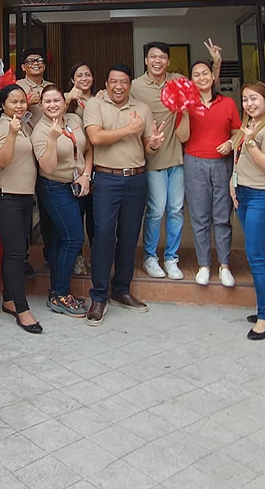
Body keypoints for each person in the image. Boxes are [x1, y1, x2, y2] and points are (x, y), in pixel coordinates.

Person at [83, 64, 165, 325]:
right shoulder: (96, 105)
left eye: (124, 82)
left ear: (130, 84)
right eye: (114, 82)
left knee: (129, 237)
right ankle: (99, 296)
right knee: (104, 235)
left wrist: (153, 144)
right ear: (106, 84)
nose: (119, 86)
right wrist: (129, 130)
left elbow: (147, 145)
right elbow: (95, 138)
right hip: (107, 178)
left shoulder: (142, 108)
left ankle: (121, 290)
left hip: (136, 179)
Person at [228, 82, 265, 340]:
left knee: (257, 257)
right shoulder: (250, 125)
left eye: (254, 99)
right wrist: (233, 183)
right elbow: (239, 158)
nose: (249, 104)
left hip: (263, 196)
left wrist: (250, 143)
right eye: (245, 99)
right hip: (245, 193)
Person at [131, 42, 190, 281]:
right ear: (146, 60)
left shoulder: (178, 81)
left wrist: (216, 65)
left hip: (176, 157)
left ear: (168, 61)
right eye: (153, 57)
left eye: (162, 57)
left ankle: (171, 258)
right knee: (156, 210)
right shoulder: (135, 86)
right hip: (152, 157)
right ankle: (150, 257)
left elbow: (204, 85)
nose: (158, 61)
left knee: (176, 210)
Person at [32, 84, 92, 318]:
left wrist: (86, 175)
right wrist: (52, 139)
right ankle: (61, 293)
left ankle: (56, 293)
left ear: (65, 103)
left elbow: (88, 149)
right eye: (47, 101)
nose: (52, 105)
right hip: (55, 187)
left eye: (56, 100)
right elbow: (47, 167)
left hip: (77, 185)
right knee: (74, 238)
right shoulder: (41, 131)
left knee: (60, 240)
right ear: (41, 105)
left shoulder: (74, 119)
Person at [183, 59, 240, 288]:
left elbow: (237, 132)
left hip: (222, 163)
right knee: (199, 217)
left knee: (222, 216)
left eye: (205, 73)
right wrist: (182, 112)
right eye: (196, 74)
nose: (201, 77)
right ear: (191, 80)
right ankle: (204, 265)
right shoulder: (187, 105)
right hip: (194, 162)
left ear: (213, 76)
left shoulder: (227, 103)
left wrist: (231, 143)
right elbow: (181, 136)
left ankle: (224, 265)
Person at [0, 84, 41, 333]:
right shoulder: (2, 125)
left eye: (22, 101)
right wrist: (11, 133)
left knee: (17, 250)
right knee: (16, 253)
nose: (19, 106)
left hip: (23, 197)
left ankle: (9, 299)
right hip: (4, 196)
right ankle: (22, 308)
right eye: (13, 102)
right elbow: (1, 160)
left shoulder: (25, 125)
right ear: (3, 105)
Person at [65, 61, 96, 274]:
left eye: (88, 74)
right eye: (79, 75)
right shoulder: (67, 102)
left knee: (96, 216)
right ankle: (77, 257)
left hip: (99, 164)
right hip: (75, 165)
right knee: (77, 213)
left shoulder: (101, 99)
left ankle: (95, 255)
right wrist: (68, 98)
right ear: (72, 80)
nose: (84, 79)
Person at [17, 47, 49, 126]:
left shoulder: (51, 87)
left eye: (39, 60)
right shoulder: (17, 86)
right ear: (23, 67)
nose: (35, 63)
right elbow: (10, 113)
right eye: (30, 61)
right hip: (24, 131)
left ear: (44, 66)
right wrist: (28, 103)